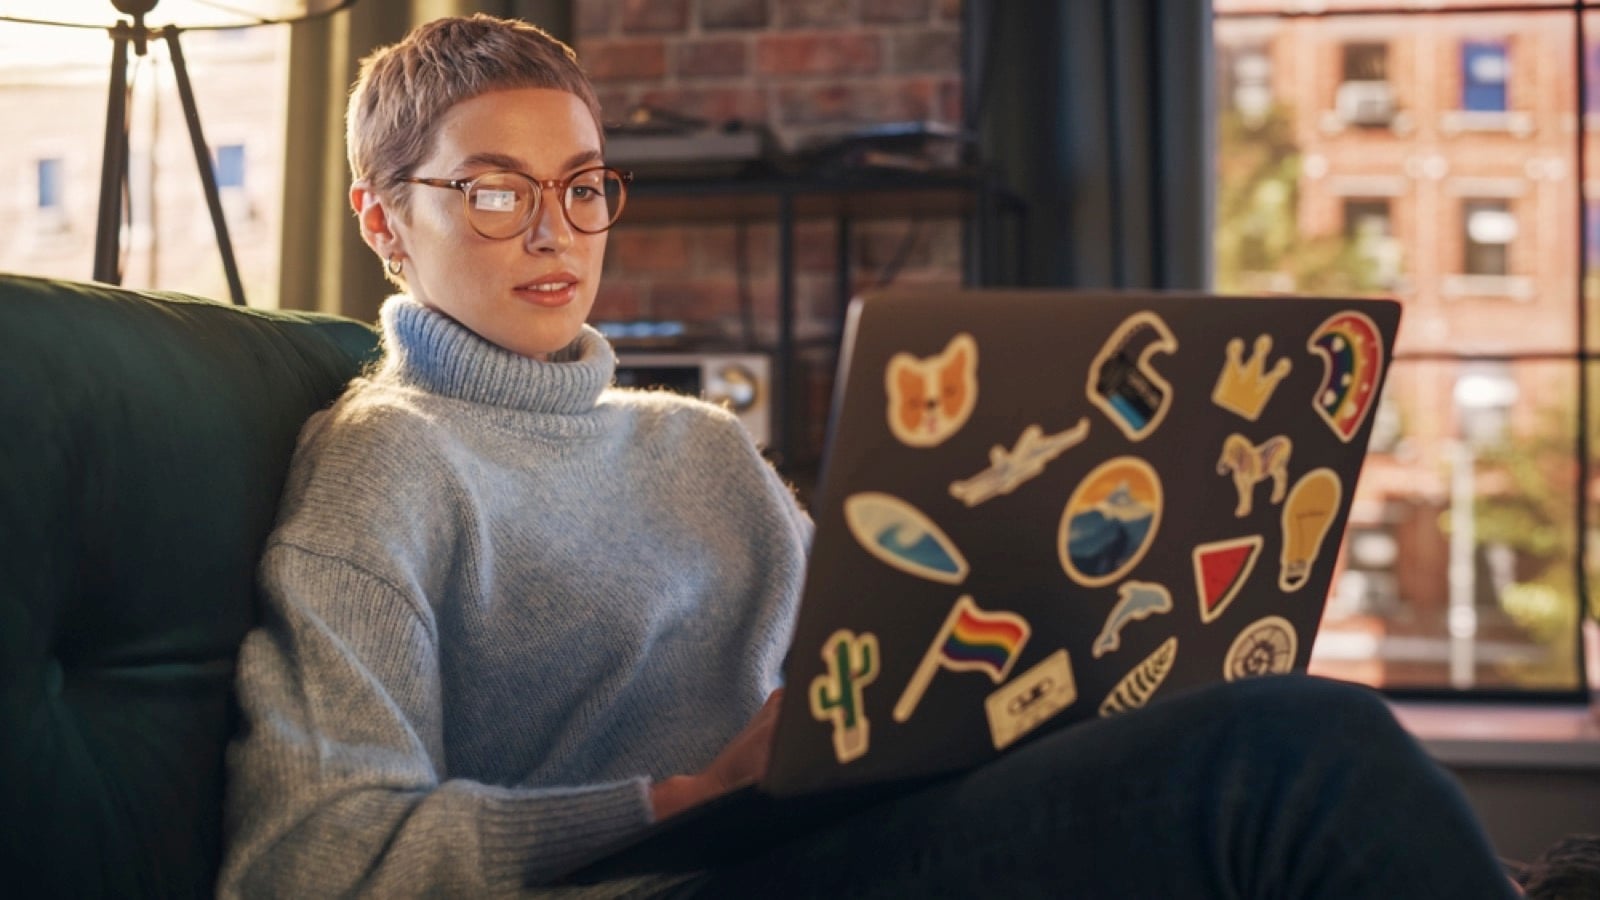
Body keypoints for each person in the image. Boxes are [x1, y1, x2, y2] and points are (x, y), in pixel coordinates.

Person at [218, 14, 1520, 898]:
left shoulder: (696, 442)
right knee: (1292, 757)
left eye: (585, 185)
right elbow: (312, 855)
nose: (556, 230)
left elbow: (865, 679)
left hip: (827, 838)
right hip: (671, 877)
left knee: (1275, 741)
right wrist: (672, 798)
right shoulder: (388, 464)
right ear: (384, 218)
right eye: (496, 189)